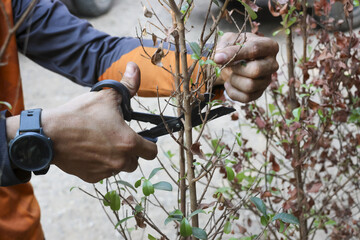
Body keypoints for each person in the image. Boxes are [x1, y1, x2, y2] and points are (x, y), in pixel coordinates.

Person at [0, 0, 279, 239]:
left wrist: (213, 66)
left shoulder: (10, 5)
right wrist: (25, 138)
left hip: (21, 225)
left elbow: (97, 53)